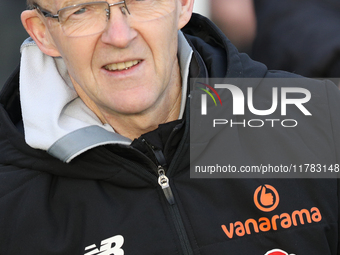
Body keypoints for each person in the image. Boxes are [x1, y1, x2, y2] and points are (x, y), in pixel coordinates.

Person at [0, 0, 339, 255]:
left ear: (183, 5)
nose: (119, 36)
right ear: (43, 33)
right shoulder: (12, 201)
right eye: (82, 10)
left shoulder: (316, 123)